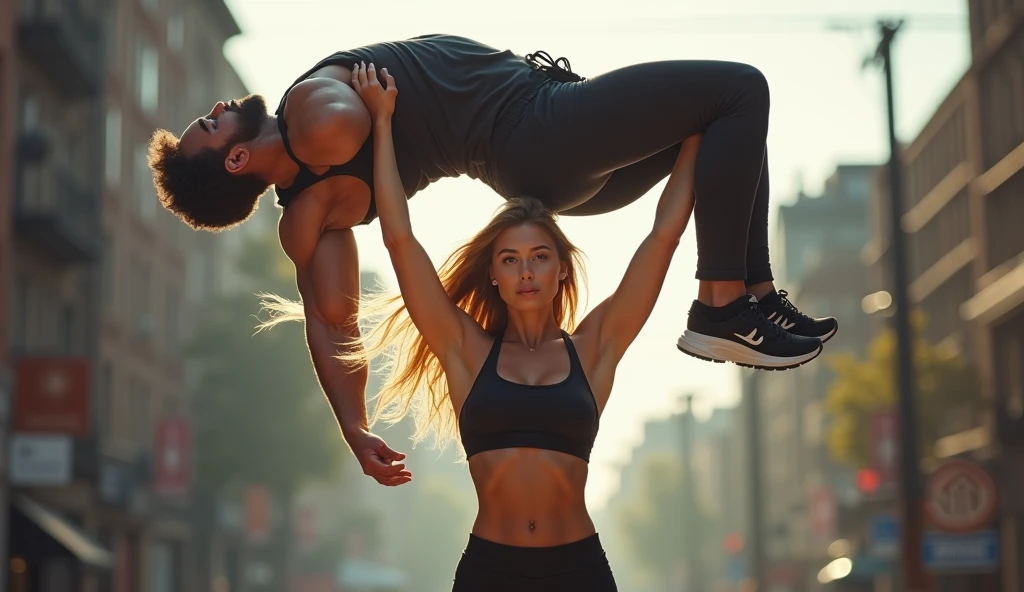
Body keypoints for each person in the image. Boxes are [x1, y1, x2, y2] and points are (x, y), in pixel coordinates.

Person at [148, 34, 836, 487]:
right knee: (740, 89)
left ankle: (752, 296)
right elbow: (343, 124)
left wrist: (355, 430)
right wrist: (373, 119)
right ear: (236, 159)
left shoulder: (309, 217)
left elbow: (331, 325)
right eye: (210, 125)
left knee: (722, 131)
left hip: (540, 170)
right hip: (539, 126)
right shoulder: (306, 112)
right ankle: (722, 303)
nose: (216, 108)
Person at [347, 61, 704, 590]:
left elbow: (662, 238)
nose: (526, 271)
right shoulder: (465, 349)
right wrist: (382, 125)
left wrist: (698, 131)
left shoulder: (595, 347)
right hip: (491, 571)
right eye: (510, 259)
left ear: (561, 268)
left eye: (539, 256)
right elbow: (400, 240)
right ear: (493, 274)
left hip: (578, 570)